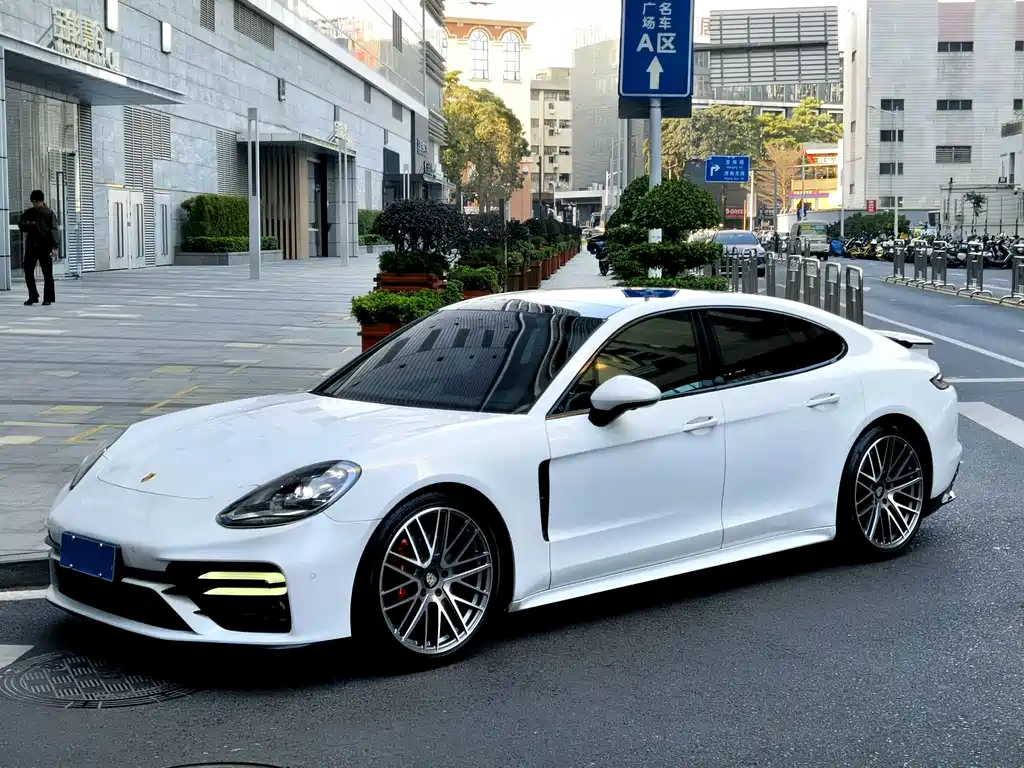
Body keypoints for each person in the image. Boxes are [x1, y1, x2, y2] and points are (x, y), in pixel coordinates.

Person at [18, 189, 59, 306]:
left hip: (45, 246)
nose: (34, 204)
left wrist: (55, 246)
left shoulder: (49, 213)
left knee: (47, 273)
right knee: (28, 271)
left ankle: (48, 298)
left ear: (42, 201)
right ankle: (33, 296)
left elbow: (54, 230)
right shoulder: (28, 212)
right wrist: (28, 225)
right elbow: (21, 225)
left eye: (36, 202)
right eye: (33, 202)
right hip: (31, 246)